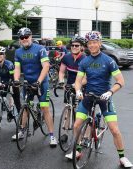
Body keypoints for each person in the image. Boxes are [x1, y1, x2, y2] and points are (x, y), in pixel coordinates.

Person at [65, 31, 133, 168]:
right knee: (77, 124)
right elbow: (78, 81)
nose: (92, 45)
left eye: (95, 42)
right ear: (87, 45)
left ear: (100, 43)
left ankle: (122, 157)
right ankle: (78, 151)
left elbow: (120, 81)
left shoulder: (109, 61)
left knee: (114, 130)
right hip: (89, 97)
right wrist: (78, 90)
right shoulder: (85, 61)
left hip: (104, 97)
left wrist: (110, 92)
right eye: (90, 43)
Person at [12, 27, 57, 147]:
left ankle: (52, 136)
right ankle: (22, 130)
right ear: (20, 40)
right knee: (26, 107)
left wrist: (38, 82)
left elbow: (46, 66)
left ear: (31, 37)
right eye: (22, 38)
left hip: (41, 83)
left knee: (45, 108)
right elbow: (17, 68)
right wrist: (16, 80)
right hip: (28, 82)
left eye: (26, 36)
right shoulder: (18, 52)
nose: (24, 39)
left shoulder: (40, 49)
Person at [0, 46, 21, 130]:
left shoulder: (9, 64)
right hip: (2, 82)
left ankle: (21, 123)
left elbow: (12, 78)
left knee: (17, 101)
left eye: (1, 54)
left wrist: (8, 84)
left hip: (11, 81)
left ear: (4, 55)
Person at [58, 36, 86, 103]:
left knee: (81, 110)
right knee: (67, 106)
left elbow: (85, 79)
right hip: (69, 86)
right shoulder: (66, 57)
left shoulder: (86, 59)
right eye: (72, 45)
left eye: (77, 45)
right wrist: (61, 82)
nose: (74, 47)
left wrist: (75, 85)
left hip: (82, 86)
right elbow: (61, 72)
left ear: (81, 47)